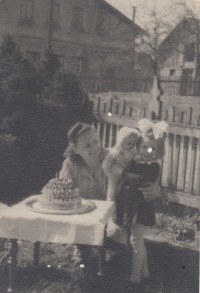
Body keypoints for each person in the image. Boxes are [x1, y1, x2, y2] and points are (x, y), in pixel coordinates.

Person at [59, 122, 160, 278]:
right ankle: (83, 247)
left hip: (115, 213)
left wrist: (155, 188)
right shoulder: (70, 165)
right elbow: (64, 194)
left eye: (96, 141)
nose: (94, 148)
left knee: (116, 236)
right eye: (86, 146)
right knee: (81, 234)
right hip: (83, 214)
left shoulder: (114, 157)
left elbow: (140, 177)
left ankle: (117, 251)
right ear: (75, 149)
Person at [117, 118, 168, 285]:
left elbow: (139, 180)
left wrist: (123, 174)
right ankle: (145, 272)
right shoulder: (135, 162)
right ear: (138, 147)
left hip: (141, 209)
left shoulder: (153, 167)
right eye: (144, 147)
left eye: (153, 149)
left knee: (135, 241)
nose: (147, 151)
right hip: (131, 208)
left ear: (159, 152)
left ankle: (134, 277)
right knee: (138, 240)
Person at [102, 126, 140, 201]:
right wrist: (106, 169)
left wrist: (137, 158)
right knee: (111, 189)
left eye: (133, 143)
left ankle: (116, 201)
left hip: (124, 174)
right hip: (114, 174)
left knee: (120, 189)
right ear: (121, 141)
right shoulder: (116, 151)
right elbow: (108, 160)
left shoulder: (132, 151)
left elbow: (137, 157)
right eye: (128, 143)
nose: (131, 146)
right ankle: (109, 201)